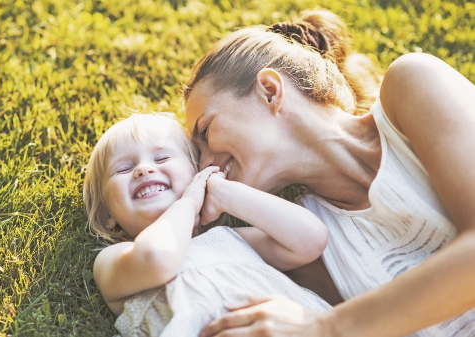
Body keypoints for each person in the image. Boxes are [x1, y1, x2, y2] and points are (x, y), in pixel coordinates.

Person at [183, 8, 475, 337]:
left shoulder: (414, 83)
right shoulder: (305, 247)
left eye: (205, 131)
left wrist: (328, 327)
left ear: (269, 90)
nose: (206, 163)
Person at [83, 113, 333, 336]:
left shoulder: (229, 239)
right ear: (107, 215)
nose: (144, 169)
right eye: (123, 168)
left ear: (196, 174)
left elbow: (311, 239)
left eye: (162, 158)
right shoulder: (114, 258)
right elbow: (157, 259)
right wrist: (189, 203)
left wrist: (224, 193)